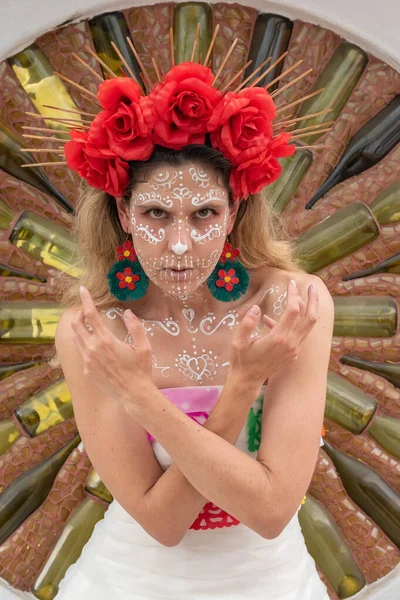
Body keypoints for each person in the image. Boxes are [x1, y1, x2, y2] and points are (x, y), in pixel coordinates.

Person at [46, 59, 335, 599]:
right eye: (157, 214)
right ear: (124, 213)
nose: (180, 245)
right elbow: (163, 522)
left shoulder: (294, 303)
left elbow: (271, 511)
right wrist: (243, 388)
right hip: (130, 580)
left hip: (269, 581)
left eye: (203, 214)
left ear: (233, 213)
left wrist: (138, 394)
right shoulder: (91, 328)